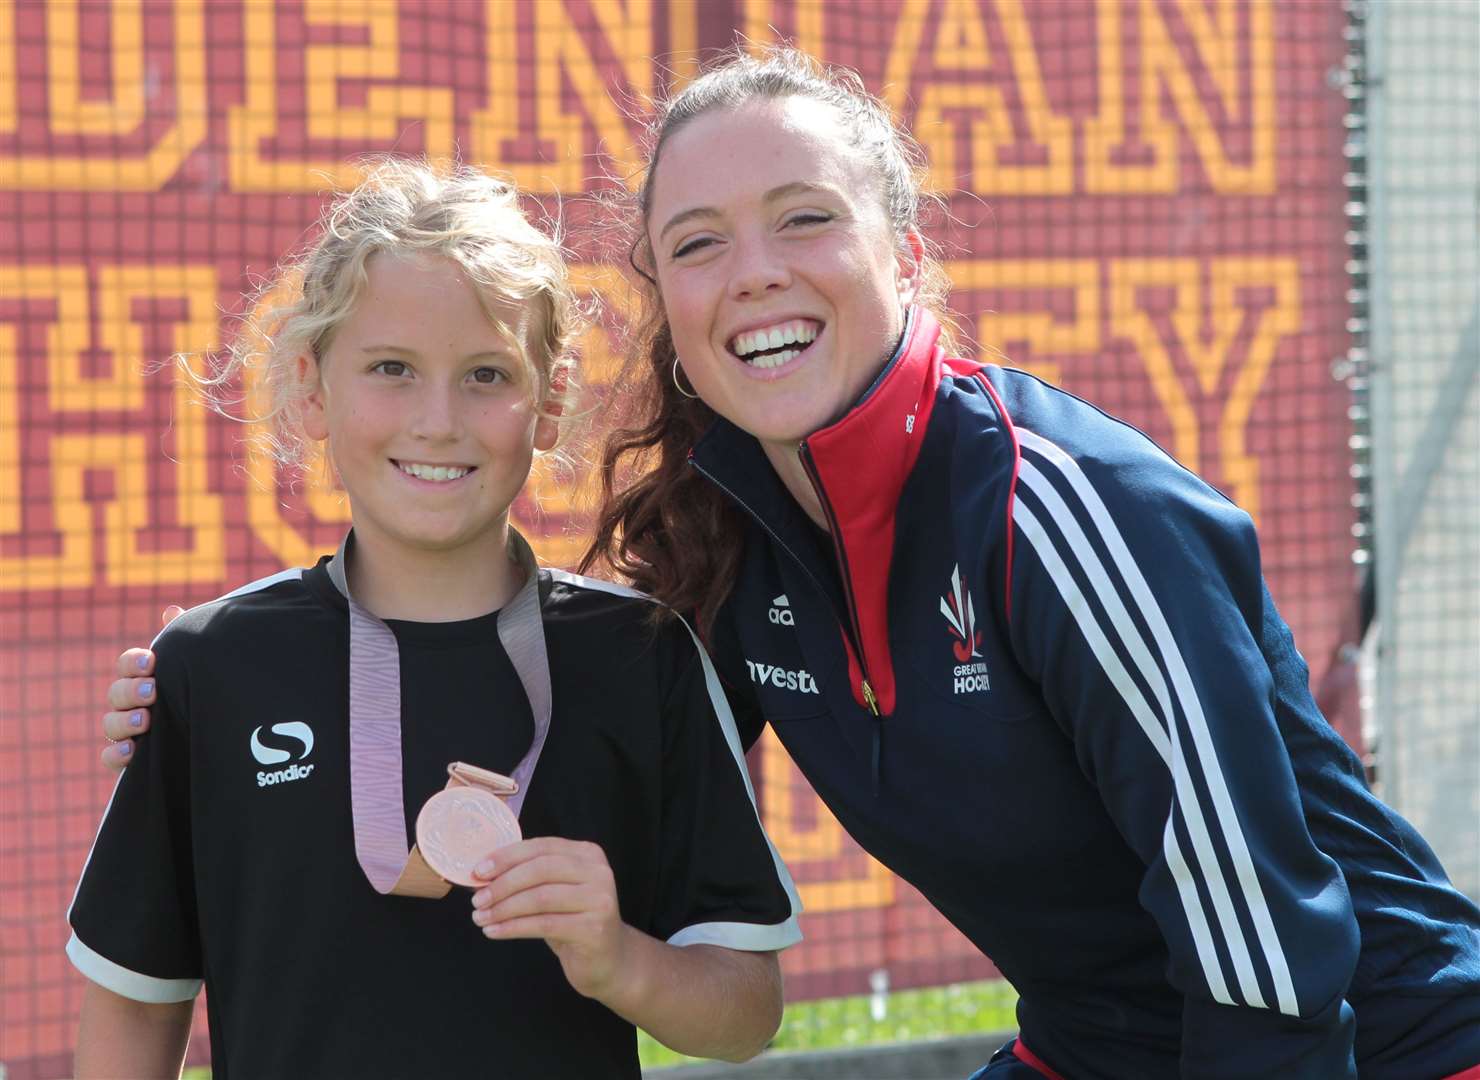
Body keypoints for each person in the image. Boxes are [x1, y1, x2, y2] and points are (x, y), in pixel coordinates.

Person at [99, 49, 1480, 1080]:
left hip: (1369, 1046)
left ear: (908, 247)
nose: (753, 271)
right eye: (698, 244)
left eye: (804, 218)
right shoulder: (727, 554)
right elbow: (570, 746)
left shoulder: (1062, 509)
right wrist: (195, 709)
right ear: (672, 307)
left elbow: (1274, 964)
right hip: (1104, 1052)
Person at [71, 157, 801, 1080]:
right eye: (391, 369)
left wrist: (621, 959)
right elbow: (136, 1009)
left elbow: (744, 1013)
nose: (438, 420)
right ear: (310, 385)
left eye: (487, 374)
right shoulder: (208, 667)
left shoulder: (641, 656)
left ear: (551, 399)